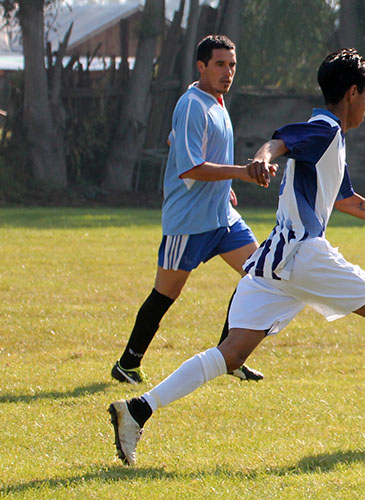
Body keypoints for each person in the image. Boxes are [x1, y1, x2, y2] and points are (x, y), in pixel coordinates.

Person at [108, 48, 365, 466]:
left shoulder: (332, 140)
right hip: (304, 253)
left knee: (231, 354)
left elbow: (346, 198)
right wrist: (261, 160)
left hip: (275, 260)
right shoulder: (323, 129)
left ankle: (137, 409)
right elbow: (280, 142)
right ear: (351, 92)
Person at [111, 35, 271, 385]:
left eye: (232, 65)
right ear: (201, 66)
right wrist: (241, 174)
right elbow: (190, 167)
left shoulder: (217, 101)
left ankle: (228, 356)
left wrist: (226, 188)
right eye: (220, 64)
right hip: (189, 222)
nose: (228, 72)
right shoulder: (192, 104)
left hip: (223, 220)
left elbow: (201, 150)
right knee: (166, 294)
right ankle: (127, 364)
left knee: (259, 275)